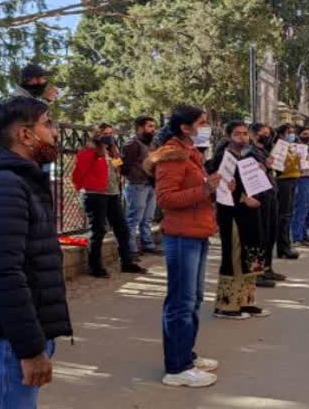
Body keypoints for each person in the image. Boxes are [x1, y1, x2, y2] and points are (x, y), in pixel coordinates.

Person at [0, 97, 73, 408]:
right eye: (47, 123)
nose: (54, 132)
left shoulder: (15, 179)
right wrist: (30, 350)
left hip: (10, 335)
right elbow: (1, 271)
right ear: (24, 134)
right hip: (7, 341)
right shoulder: (2, 184)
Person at [144, 105, 220, 388]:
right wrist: (205, 190)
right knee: (180, 302)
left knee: (194, 299)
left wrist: (212, 187)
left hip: (198, 232)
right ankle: (177, 367)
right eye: (201, 123)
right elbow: (166, 199)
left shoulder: (191, 154)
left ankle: (186, 353)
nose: (205, 128)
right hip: (181, 236)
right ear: (185, 128)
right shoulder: (173, 155)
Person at [207, 122, 270, 319]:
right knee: (234, 257)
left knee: (252, 255)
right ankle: (226, 305)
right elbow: (222, 190)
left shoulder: (246, 157)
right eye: (237, 134)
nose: (242, 137)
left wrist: (261, 170)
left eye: (245, 134)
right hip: (233, 216)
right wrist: (243, 198)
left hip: (251, 215)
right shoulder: (222, 159)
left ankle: (246, 302)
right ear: (228, 136)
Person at [72, 123, 146, 278]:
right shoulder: (88, 151)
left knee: (122, 228)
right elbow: (79, 173)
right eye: (105, 133)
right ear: (97, 135)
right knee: (98, 230)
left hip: (113, 193)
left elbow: (119, 169)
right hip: (95, 194)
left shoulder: (111, 151)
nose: (109, 136)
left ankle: (126, 262)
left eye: (110, 133)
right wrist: (83, 188)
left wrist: (115, 154)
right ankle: (95, 266)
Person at [249, 123, 285, 287]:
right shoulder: (249, 152)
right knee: (258, 236)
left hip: (270, 194)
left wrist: (271, 165)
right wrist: (263, 167)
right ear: (255, 135)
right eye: (264, 133)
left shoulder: (263, 150)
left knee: (270, 233)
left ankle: (267, 267)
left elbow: (272, 169)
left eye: (268, 133)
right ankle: (256, 272)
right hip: (258, 197)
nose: (268, 136)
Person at [121, 116, 161, 258]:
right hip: (137, 185)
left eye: (153, 126)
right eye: (150, 126)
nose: (153, 129)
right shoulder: (132, 144)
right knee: (133, 219)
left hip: (150, 185)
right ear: (140, 128)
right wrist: (135, 174)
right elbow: (123, 166)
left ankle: (147, 244)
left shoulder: (152, 144)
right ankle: (131, 249)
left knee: (147, 218)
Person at [274, 124, 301, 260]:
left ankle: (285, 246)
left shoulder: (289, 147)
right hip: (284, 181)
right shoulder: (280, 147)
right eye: (289, 132)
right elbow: (282, 167)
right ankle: (283, 248)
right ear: (281, 134)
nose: (292, 135)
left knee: (287, 214)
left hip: (291, 181)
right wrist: (297, 158)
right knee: (284, 215)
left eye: (293, 132)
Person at [291, 126, 309, 247]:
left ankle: (304, 234)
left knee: (308, 207)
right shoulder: (295, 148)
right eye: (304, 134)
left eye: (308, 134)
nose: (307, 136)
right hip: (302, 179)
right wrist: (308, 163)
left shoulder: (308, 148)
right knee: (300, 208)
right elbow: (296, 165)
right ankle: (297, 236)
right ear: (298, 135)